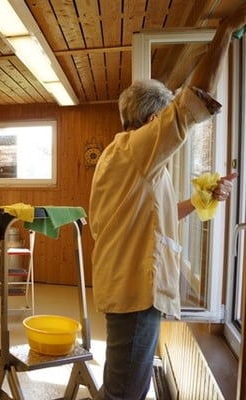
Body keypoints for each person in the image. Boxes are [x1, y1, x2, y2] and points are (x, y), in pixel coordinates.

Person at [89, 7, 245, 400]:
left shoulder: (130, 159)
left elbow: (156, 217)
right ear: (153, 120)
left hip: (130, 290)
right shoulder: (134, 151)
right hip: (133, 294)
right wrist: (226, 29)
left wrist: (200, 199)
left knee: (122, 383)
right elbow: (195, 101)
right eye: (163, 120)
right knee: (125, 392)